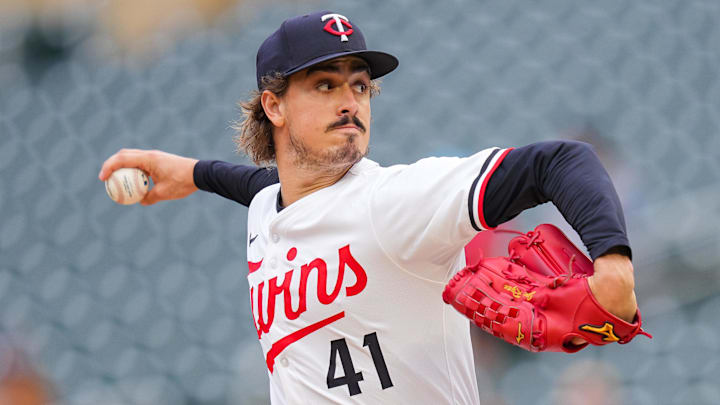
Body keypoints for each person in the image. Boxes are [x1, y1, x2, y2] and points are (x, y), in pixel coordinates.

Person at [99, 10, 639, 405]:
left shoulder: (396, 202)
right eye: (325, 84)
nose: (350, 100)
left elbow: (562, 162)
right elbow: (265, 189)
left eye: (360, 85)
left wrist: (613, 262)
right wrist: (190, 173)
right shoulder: (268, 208)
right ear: (274, 105)